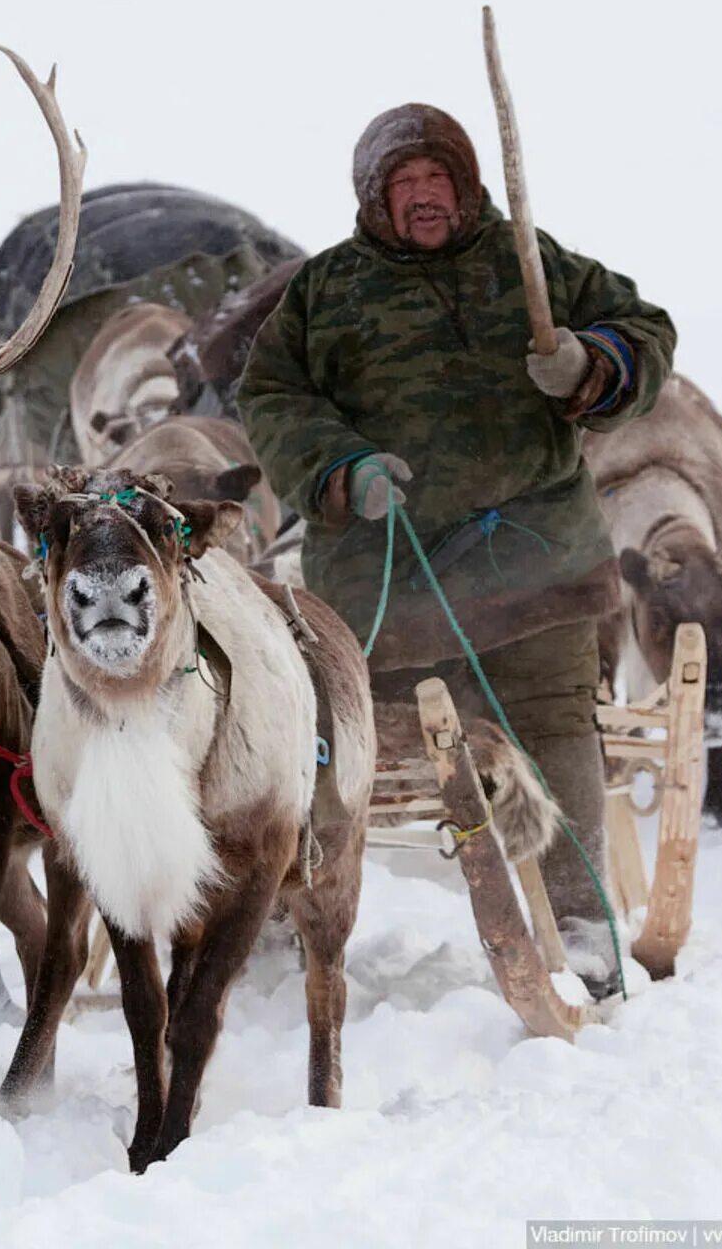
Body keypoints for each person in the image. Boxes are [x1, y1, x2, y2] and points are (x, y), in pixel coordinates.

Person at [238, 103, 676, 997]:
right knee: (357, 756)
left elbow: (646, 328)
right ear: (373, 199)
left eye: (440, 180)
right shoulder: (326, 290)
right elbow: (271, 396)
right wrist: (340, 468)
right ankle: (296, 915)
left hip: (539, 559)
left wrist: (594, 362)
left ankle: (583, 927)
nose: (425, 197)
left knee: (554, 729)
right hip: (393, 580)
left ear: (470, 186)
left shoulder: (533, 262)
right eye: (405, 185)